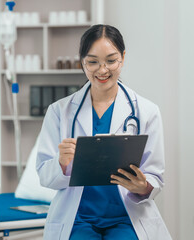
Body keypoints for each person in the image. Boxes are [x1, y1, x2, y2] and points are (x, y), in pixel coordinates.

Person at [36, 24, 172, 240]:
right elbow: (45, 175)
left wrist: (143, 186)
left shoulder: (146, 111)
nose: (102, 70)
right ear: (82, 62)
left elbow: (155, 176)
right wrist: (61, 162)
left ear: (123, 58)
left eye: (111, 60)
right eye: (92, 62)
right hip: (78, 218)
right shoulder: (59, 111)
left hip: (127, 217)